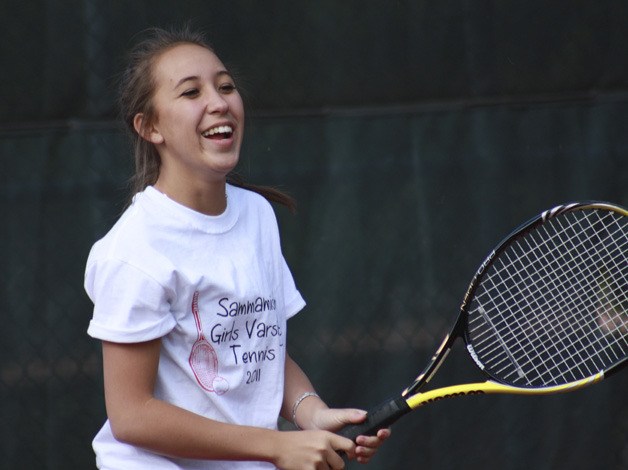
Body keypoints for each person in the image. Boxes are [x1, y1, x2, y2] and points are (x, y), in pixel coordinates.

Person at [84, 26, 390, 470]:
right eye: (191, 92)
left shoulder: (257, 216)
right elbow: (131, 415)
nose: (218, 101)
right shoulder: (134, 250)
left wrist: (312, 413)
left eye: (225, 86)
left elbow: (256, 350)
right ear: (150, 127)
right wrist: (276, 445)